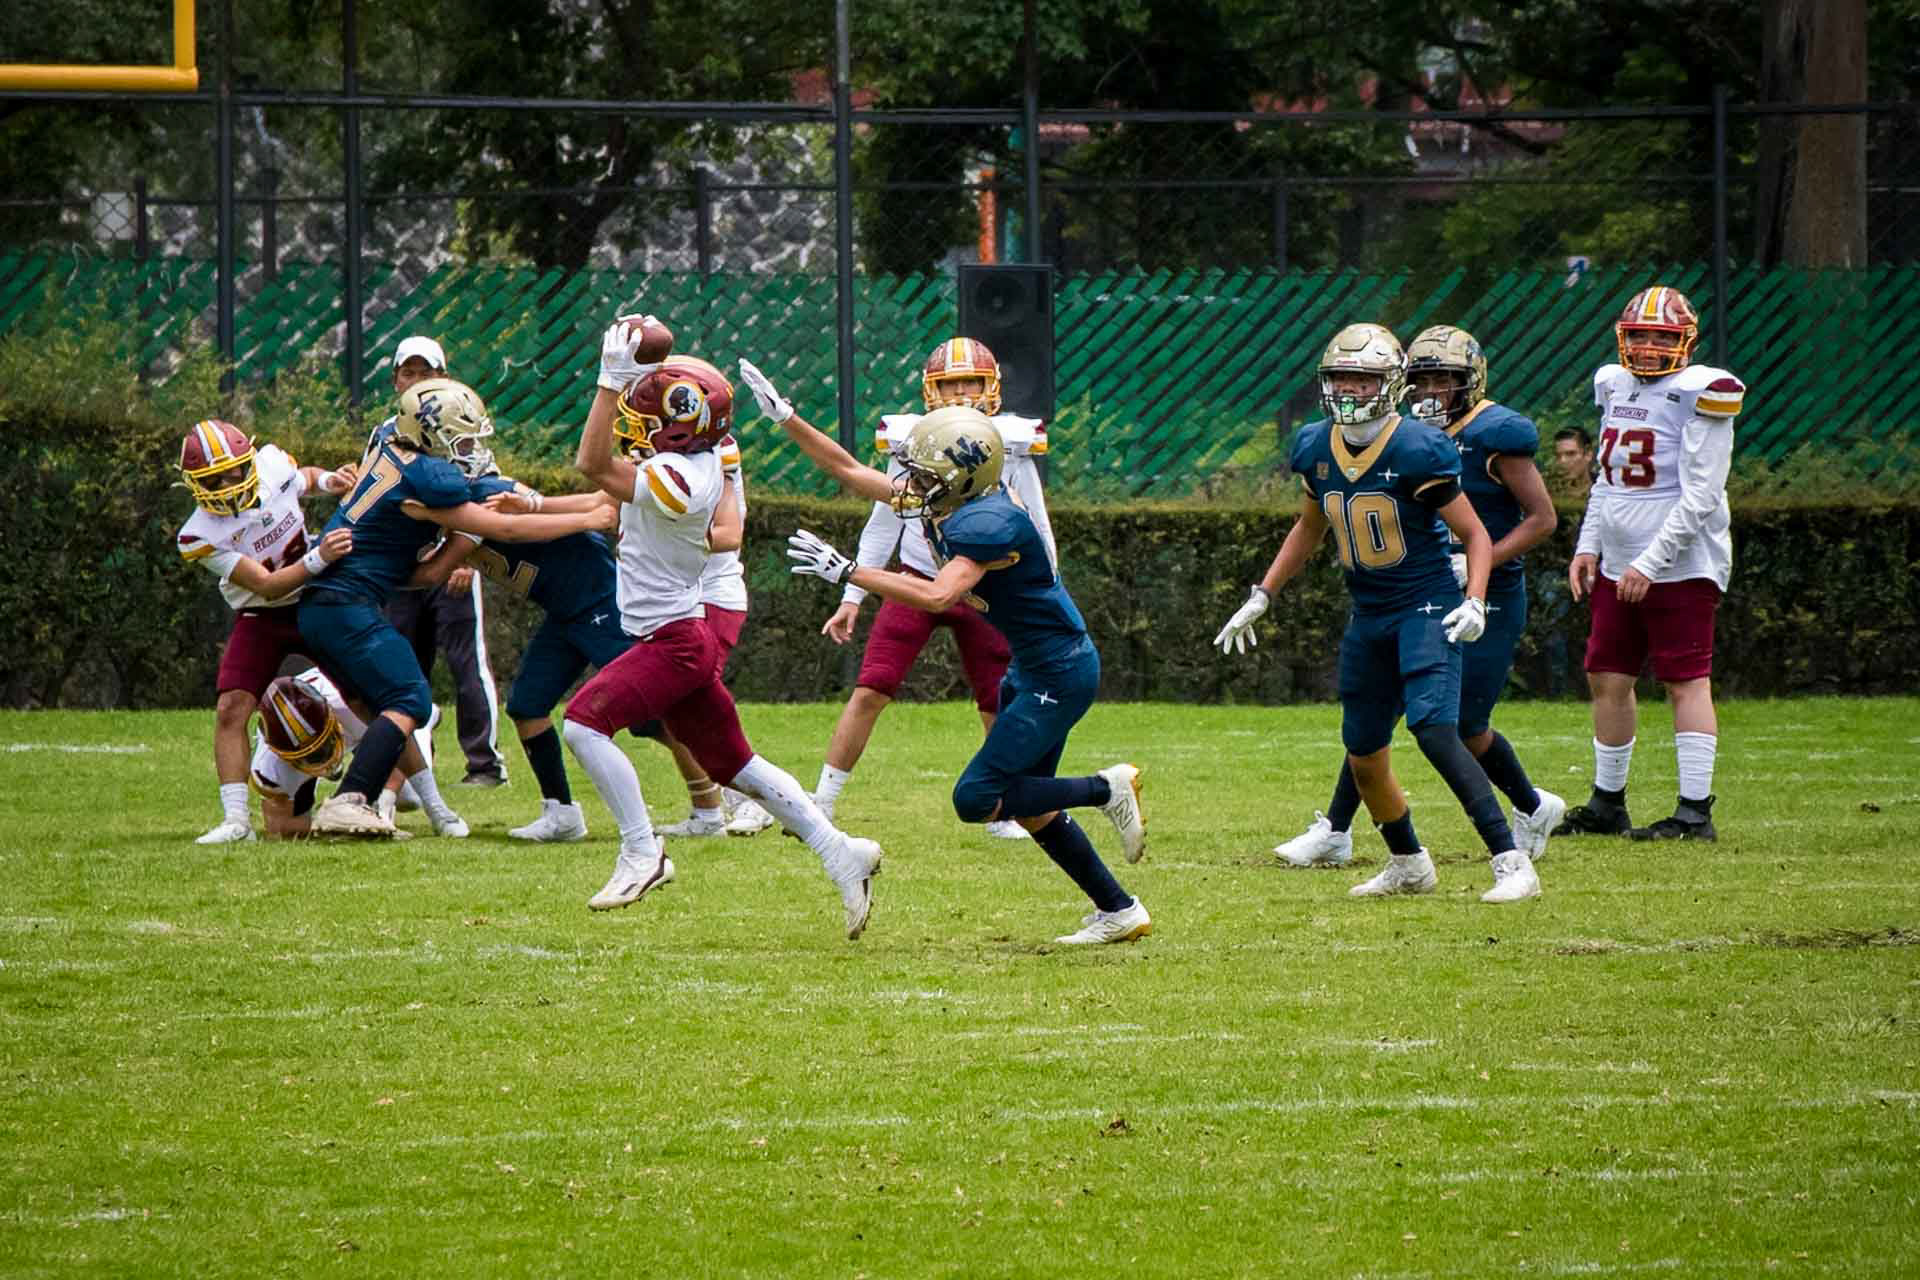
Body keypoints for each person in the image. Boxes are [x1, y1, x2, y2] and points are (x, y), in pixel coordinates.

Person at [737, 358, 1152, 947]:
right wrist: (786, 418)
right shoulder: (952, 498)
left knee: (977, 797)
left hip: (1058, 672)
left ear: (957, 477)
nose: (909, 480)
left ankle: (1105, 789)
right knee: (1029, 802)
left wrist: (851, 573)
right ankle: (1119, 909)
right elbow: (850, 471)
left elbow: (938, 595)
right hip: (1033, 665)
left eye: (922, 471)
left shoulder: (990, 521)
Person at [564, 325, 883, 939]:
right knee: (736, 763)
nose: (636, 425)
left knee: (583, 724)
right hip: (682, 632)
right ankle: (840, 850)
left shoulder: (678, 478)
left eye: (648, 419)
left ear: (676, 430)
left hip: (674, 640)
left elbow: (590, 464)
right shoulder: (702, 456)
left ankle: (641, 852)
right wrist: (640, 375)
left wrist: (608, 381)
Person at [1213, 323, 1542, 903]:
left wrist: (1474, 598)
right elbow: (1309, 527)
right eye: (1340, 377)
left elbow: (1475, 534)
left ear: (1389, 384)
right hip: (1368, 612)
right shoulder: (1316, 444)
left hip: (1426, 604)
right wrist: (1263, 593)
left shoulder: (1417, 447)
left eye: (1361, 379)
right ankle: (1408, 863)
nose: (1348, 389)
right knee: (1364, 751)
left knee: (1435, 729)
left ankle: (1510, 860)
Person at [298, 377, 616, 837]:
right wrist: (588, 517)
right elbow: (501, 528)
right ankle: (351, 799)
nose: (471, 450)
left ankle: (420, 808)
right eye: (462, 441)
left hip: (327, 601)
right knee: (410, 698)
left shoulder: (390, 442)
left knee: (389, 702)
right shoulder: (430, 478)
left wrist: (384, 569)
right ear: (429, 434)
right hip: (347, 602)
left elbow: (429, 573)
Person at [807, 338, 1048, 842]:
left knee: (996, 700)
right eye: (950, 384)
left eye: (970, 382)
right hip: (916, 579)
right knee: (872, 688)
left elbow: (1038, 526)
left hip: (985, 588)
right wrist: (852, 598)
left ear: (992, 388)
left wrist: (1047, 595)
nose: (961, 393)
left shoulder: (1010, 445)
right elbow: (884, 521)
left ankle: (1002, 808)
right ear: (930, 391)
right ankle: (821, 802)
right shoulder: (913, 444)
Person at [1555, 285, 1744, 841]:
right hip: (1619, 562)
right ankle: (1607, 802)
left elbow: (1702, 495)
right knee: (1607, 676)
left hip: (1681, 564)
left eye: (1661, 337)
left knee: (1685, 680)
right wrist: (1588, 545)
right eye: (1638, 335)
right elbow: (1608, 481)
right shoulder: (1613, 383)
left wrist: (1650, 562)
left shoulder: (1702, 390)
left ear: (1686, 340)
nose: (1647, 347)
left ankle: (1694, 813)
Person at [176, 418, 356, 844]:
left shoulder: (272, 464)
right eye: (213, 479)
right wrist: (320, 557)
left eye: (232, 472)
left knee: (367, 690)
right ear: (195, 483)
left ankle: (409, 795)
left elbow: (303, 478)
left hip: (314, 601)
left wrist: (327, 481)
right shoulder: (198, 534)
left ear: (249, 463)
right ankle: (236, 820)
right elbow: (268, 585)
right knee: (231, 707)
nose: (225, 484)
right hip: (263, 612)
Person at [373, 336, 509, 788]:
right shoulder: (383, 434)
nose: (417, 381)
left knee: (467, 665)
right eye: (408, 373)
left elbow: (485, 494)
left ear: (444, 377)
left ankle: (485, 765)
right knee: (403, 666)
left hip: (452, 563)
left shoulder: (460, 427)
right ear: (395, 381)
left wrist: (465, 556)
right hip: (402, 569)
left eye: (426, 372)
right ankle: (415, 765)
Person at [247, 669, 414, 840]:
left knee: (410, 799)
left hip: (358, 720)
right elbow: (280, 827)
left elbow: (400, 743)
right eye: (310, 755)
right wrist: (329, 822)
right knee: (298, 819)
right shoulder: (269, 766)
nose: (321, 758)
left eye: (323, 745)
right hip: (336, 732)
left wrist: (384, 809)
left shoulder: (351, 704)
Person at [1554, 426, 1596, 497]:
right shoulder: (1549, 491)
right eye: (1558, 456)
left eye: (1571, 454)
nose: (1562, 461)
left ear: (1588, 454)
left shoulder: (1607, 487)